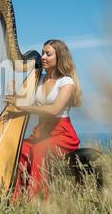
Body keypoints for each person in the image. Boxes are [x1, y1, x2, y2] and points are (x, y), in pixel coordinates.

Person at [5, 39, 82, 202]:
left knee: (40, 148)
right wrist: (13, 93)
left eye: (48, 54)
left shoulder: (67, 82)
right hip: (42, 131)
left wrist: (22, 104)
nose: (43, 57)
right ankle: (17, 199)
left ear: (59, 57)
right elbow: (23, 102)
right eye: (42, 53)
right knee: (23, 147)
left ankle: (36, 201)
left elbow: (54, 110)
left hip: (62, 133)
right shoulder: (38, 79)